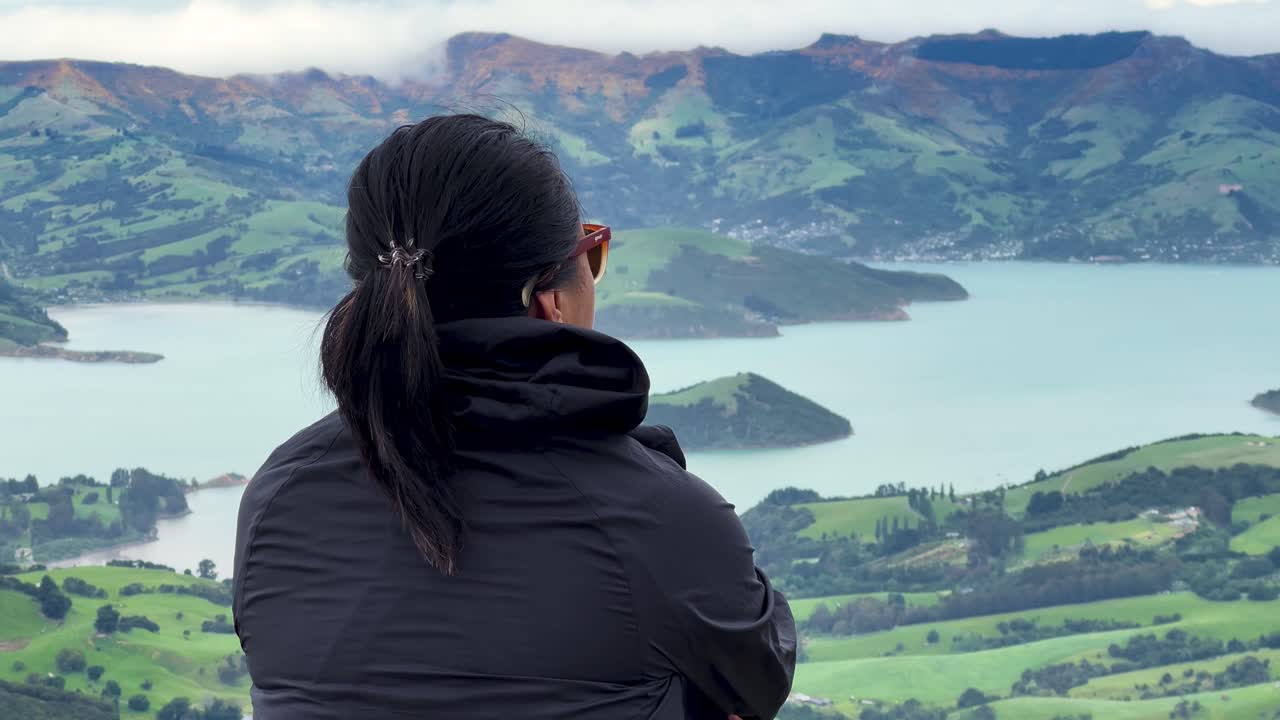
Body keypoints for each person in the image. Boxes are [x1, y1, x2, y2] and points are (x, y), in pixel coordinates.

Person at [233, 114, 796, 720]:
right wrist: (650, 483)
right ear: (547, 298)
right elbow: (759, 676)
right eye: (592, 251)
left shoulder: (279, 494)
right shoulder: (655, 514)